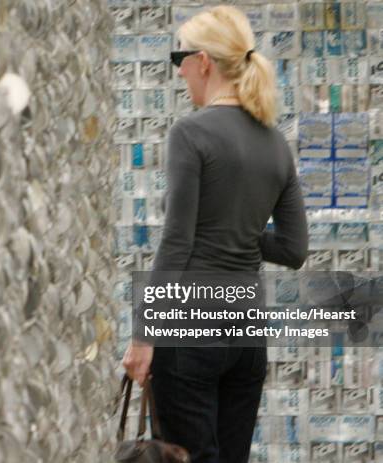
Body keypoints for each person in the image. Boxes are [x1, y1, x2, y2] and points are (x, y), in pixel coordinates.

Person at [122, 6, 308, 463]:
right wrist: (238, 231)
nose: (179, 71)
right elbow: (293, 248)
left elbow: (177, 242)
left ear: (203, 61)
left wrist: (143, 335)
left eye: (180, 59)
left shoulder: (192, 133)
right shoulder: (275, 142)